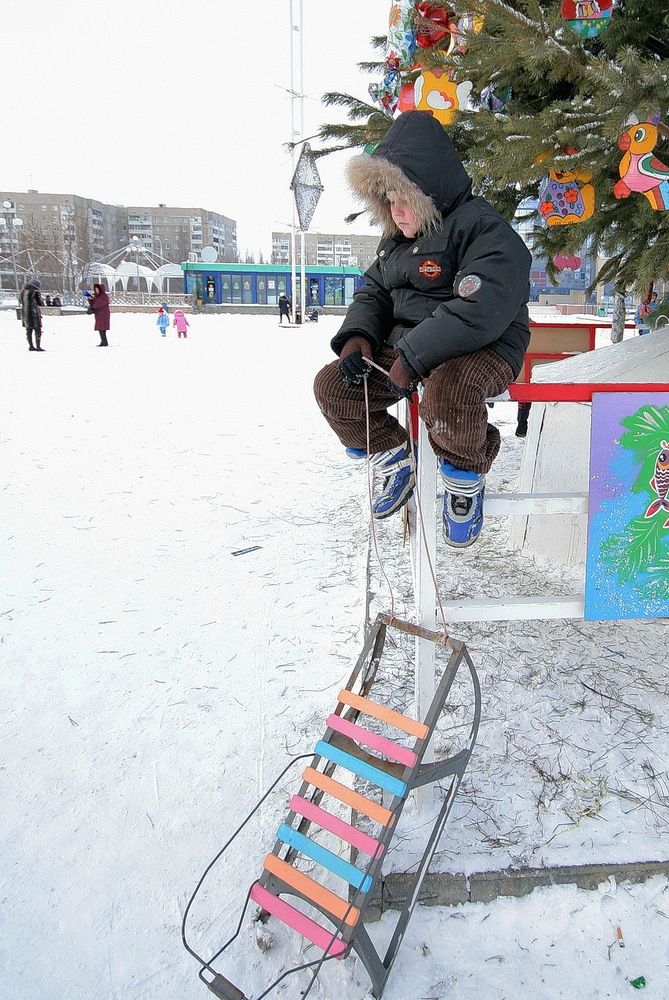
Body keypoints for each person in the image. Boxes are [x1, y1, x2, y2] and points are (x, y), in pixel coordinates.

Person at [314, 111, 531, 547]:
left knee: (449, 394)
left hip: (483, 344)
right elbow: (373, 292)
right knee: (333, 388)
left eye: (405, 198)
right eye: (389, 199)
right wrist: (359, 338)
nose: (396, 211)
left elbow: (480, 306)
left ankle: (464, 473)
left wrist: (413, 356)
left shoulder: (485, 230)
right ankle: (394, 454)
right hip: (410, 347)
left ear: (430, 189)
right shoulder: (396, 239)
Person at [20, 277, 44, 352]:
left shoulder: (23, 291)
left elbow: (20, 301)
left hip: (26, 313)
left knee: (29, 330)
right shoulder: (35, 291)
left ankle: (31, 346)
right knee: (38, 330)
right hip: (34, 314)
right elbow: (40, 303)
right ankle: (38, 346)